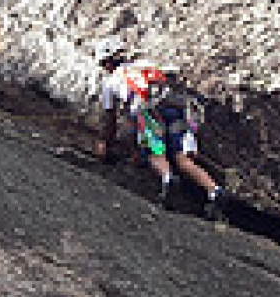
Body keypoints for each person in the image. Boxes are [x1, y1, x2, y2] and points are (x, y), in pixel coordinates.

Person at [92, 36, 226, 217]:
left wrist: (105, 143)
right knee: (183, 160)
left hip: (147, 113)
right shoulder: (146, 64)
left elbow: (110, 120)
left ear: (108, 63)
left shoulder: (110, 83)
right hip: (175, 109)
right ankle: (213, 190)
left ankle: (167, 178)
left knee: (156, 153)